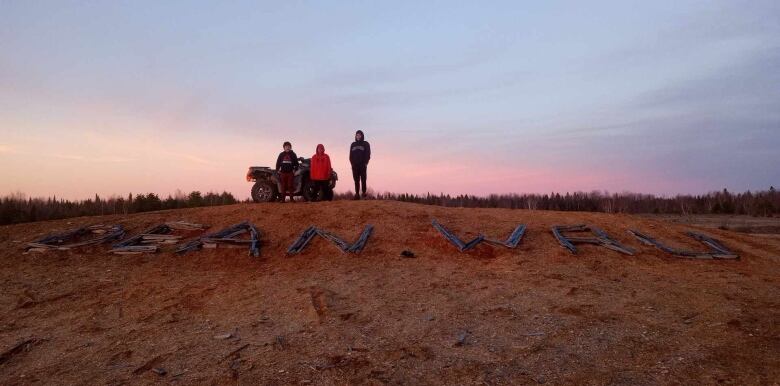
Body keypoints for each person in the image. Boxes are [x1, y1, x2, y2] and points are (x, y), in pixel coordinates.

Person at [349, 130, 371, 199]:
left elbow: (368, 154)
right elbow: (350, 155)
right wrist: (352, 163)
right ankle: (357, 194)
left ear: (362, 136)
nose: (358, 136)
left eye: (359, 135)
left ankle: (364, 193)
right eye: (357, 135)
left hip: (362, 164)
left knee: (363, 179)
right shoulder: (353, 144)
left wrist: (365, 163)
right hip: (355, 165)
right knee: (356, 180)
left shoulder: (365, 144)